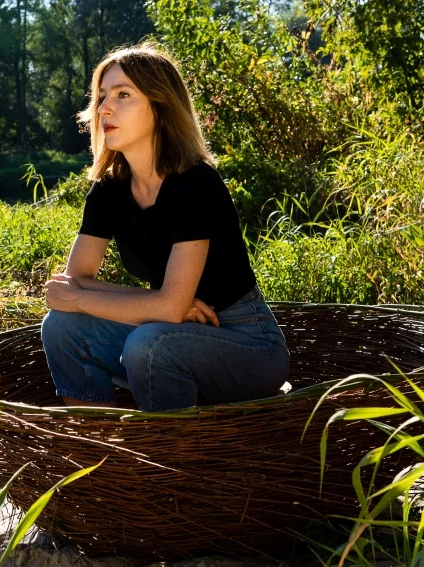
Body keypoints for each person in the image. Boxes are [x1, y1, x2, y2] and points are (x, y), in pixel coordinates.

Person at [40, 39, 290, 412]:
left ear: (161, 106)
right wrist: (164, 306)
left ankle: (171, 460)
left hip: (246, 341)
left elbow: (151, 305)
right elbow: (77, 282)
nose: (105, 108)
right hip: (170, 331)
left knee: (149, 343)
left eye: (123, 94)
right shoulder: (109, 190)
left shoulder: (195, 184)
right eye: (102, 95)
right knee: (61, 327)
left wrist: (165, 306)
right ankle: (98, 451)